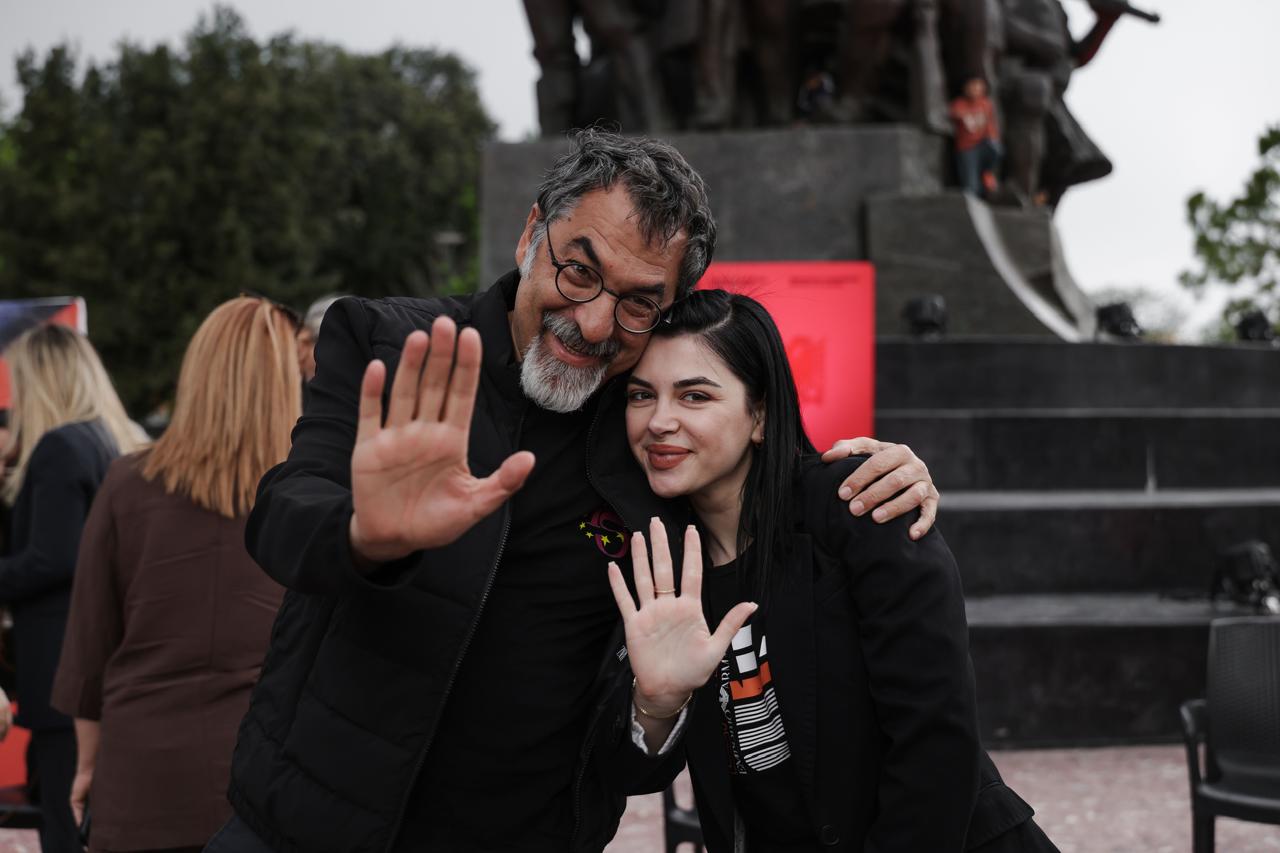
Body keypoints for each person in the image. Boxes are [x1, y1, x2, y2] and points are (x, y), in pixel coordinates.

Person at [209, 129, 941, 853]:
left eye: (638, 304)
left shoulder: (652, 448)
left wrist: (877, 475)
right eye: (579, 271)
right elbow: (282, 516)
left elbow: (761, 494)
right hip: (301, 825)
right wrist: (366, 534)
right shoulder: (391, 346)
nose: (593, 322)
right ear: (532, 233)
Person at [611, 289, 1058, 851]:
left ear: (760, 414)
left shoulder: (861, 504)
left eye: (694, 396)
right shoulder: (656, 562)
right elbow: (636, 775)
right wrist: (657, 705)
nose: (659, 421)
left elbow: (936, 740)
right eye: (641, 395)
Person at [50, 297, 300, 853]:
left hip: (138, 786)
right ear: (285, 382)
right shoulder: (311, 497)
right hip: (263, 785)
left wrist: (87, 768)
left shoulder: (127, 483)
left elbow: (89, 650)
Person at [0, 323, 147, 852]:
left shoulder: (58, 447)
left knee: (66, 822)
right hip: (105, 662)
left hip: (60, 667)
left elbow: (52, 557)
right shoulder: (110, 439)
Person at [950, 76, 1003, 197]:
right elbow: (953, 113)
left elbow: (991, 128)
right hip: (966, 148)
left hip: (981, 145)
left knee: (996, 148)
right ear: (966, 88)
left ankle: (986, 173)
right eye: (972, 85)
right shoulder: (959, 104)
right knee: (971, 187)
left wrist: (992, 137)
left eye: (978, 85)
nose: (975, 89)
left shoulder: (986, 104)